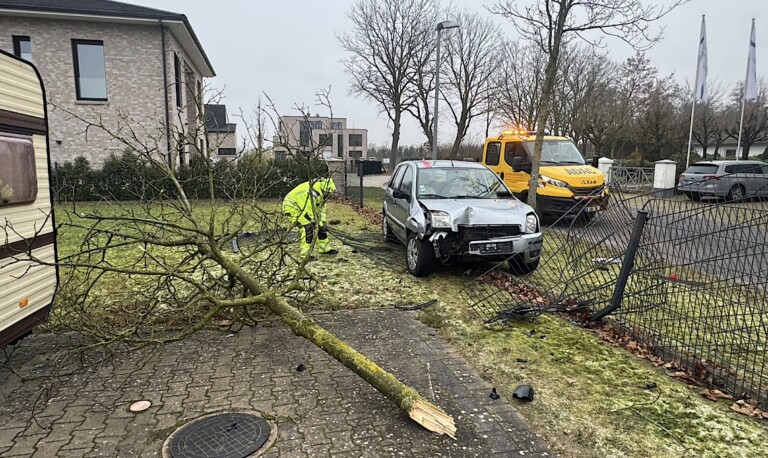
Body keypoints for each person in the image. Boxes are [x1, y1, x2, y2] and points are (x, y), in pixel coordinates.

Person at [282, 177, 339, 258]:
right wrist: (314, 222)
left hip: (303, 208)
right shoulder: (310, 192)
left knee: (320, 227)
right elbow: (307, 211)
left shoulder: (322, 193)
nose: (328, 195)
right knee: (307, 227)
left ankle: (325, 249)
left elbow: (321, 209)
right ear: (323, 189)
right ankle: (305, 254)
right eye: (327, 193)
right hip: (292, 207)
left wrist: (322, 222)